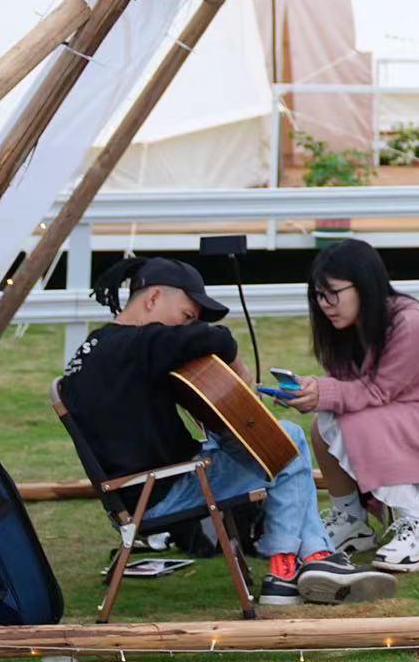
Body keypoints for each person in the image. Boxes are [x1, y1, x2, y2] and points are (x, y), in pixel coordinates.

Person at [58, 258, 392, 607]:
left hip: (130, 496)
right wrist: (242, 378)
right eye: (187, 315)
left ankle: (316, 557)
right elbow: (216, 338)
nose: (187, 325)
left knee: (268, 445)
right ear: (153, 298)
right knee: (286, 440)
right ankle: (286, 570)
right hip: (166, 489)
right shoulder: (143, 343)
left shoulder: (94, 349)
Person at [286, 240, 419, 573]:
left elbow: (378, 391)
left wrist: (322, 391)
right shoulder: (345, 328)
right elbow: (352, 390)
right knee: (324, 424)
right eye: (319, 295)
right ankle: (351, 520)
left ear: (364, 284)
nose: (325, 305)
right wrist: (311, 391)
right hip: (402, 410)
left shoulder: (409, 320)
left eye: (333, 293)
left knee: (354, 425)